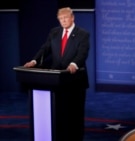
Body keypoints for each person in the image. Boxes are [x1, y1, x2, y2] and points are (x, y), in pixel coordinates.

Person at [23, 7, 90, 141]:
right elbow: (45, 49)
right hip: (56, 80)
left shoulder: (83, 34)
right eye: (61, 18)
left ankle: (75, 137)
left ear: (72, 18)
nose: (63, 21)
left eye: (66, 17)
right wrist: (34, 61)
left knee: (74, 113)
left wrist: (74, 64)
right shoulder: (54, 32)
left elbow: (83, 53)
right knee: (58, 112)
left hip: (74, 80)